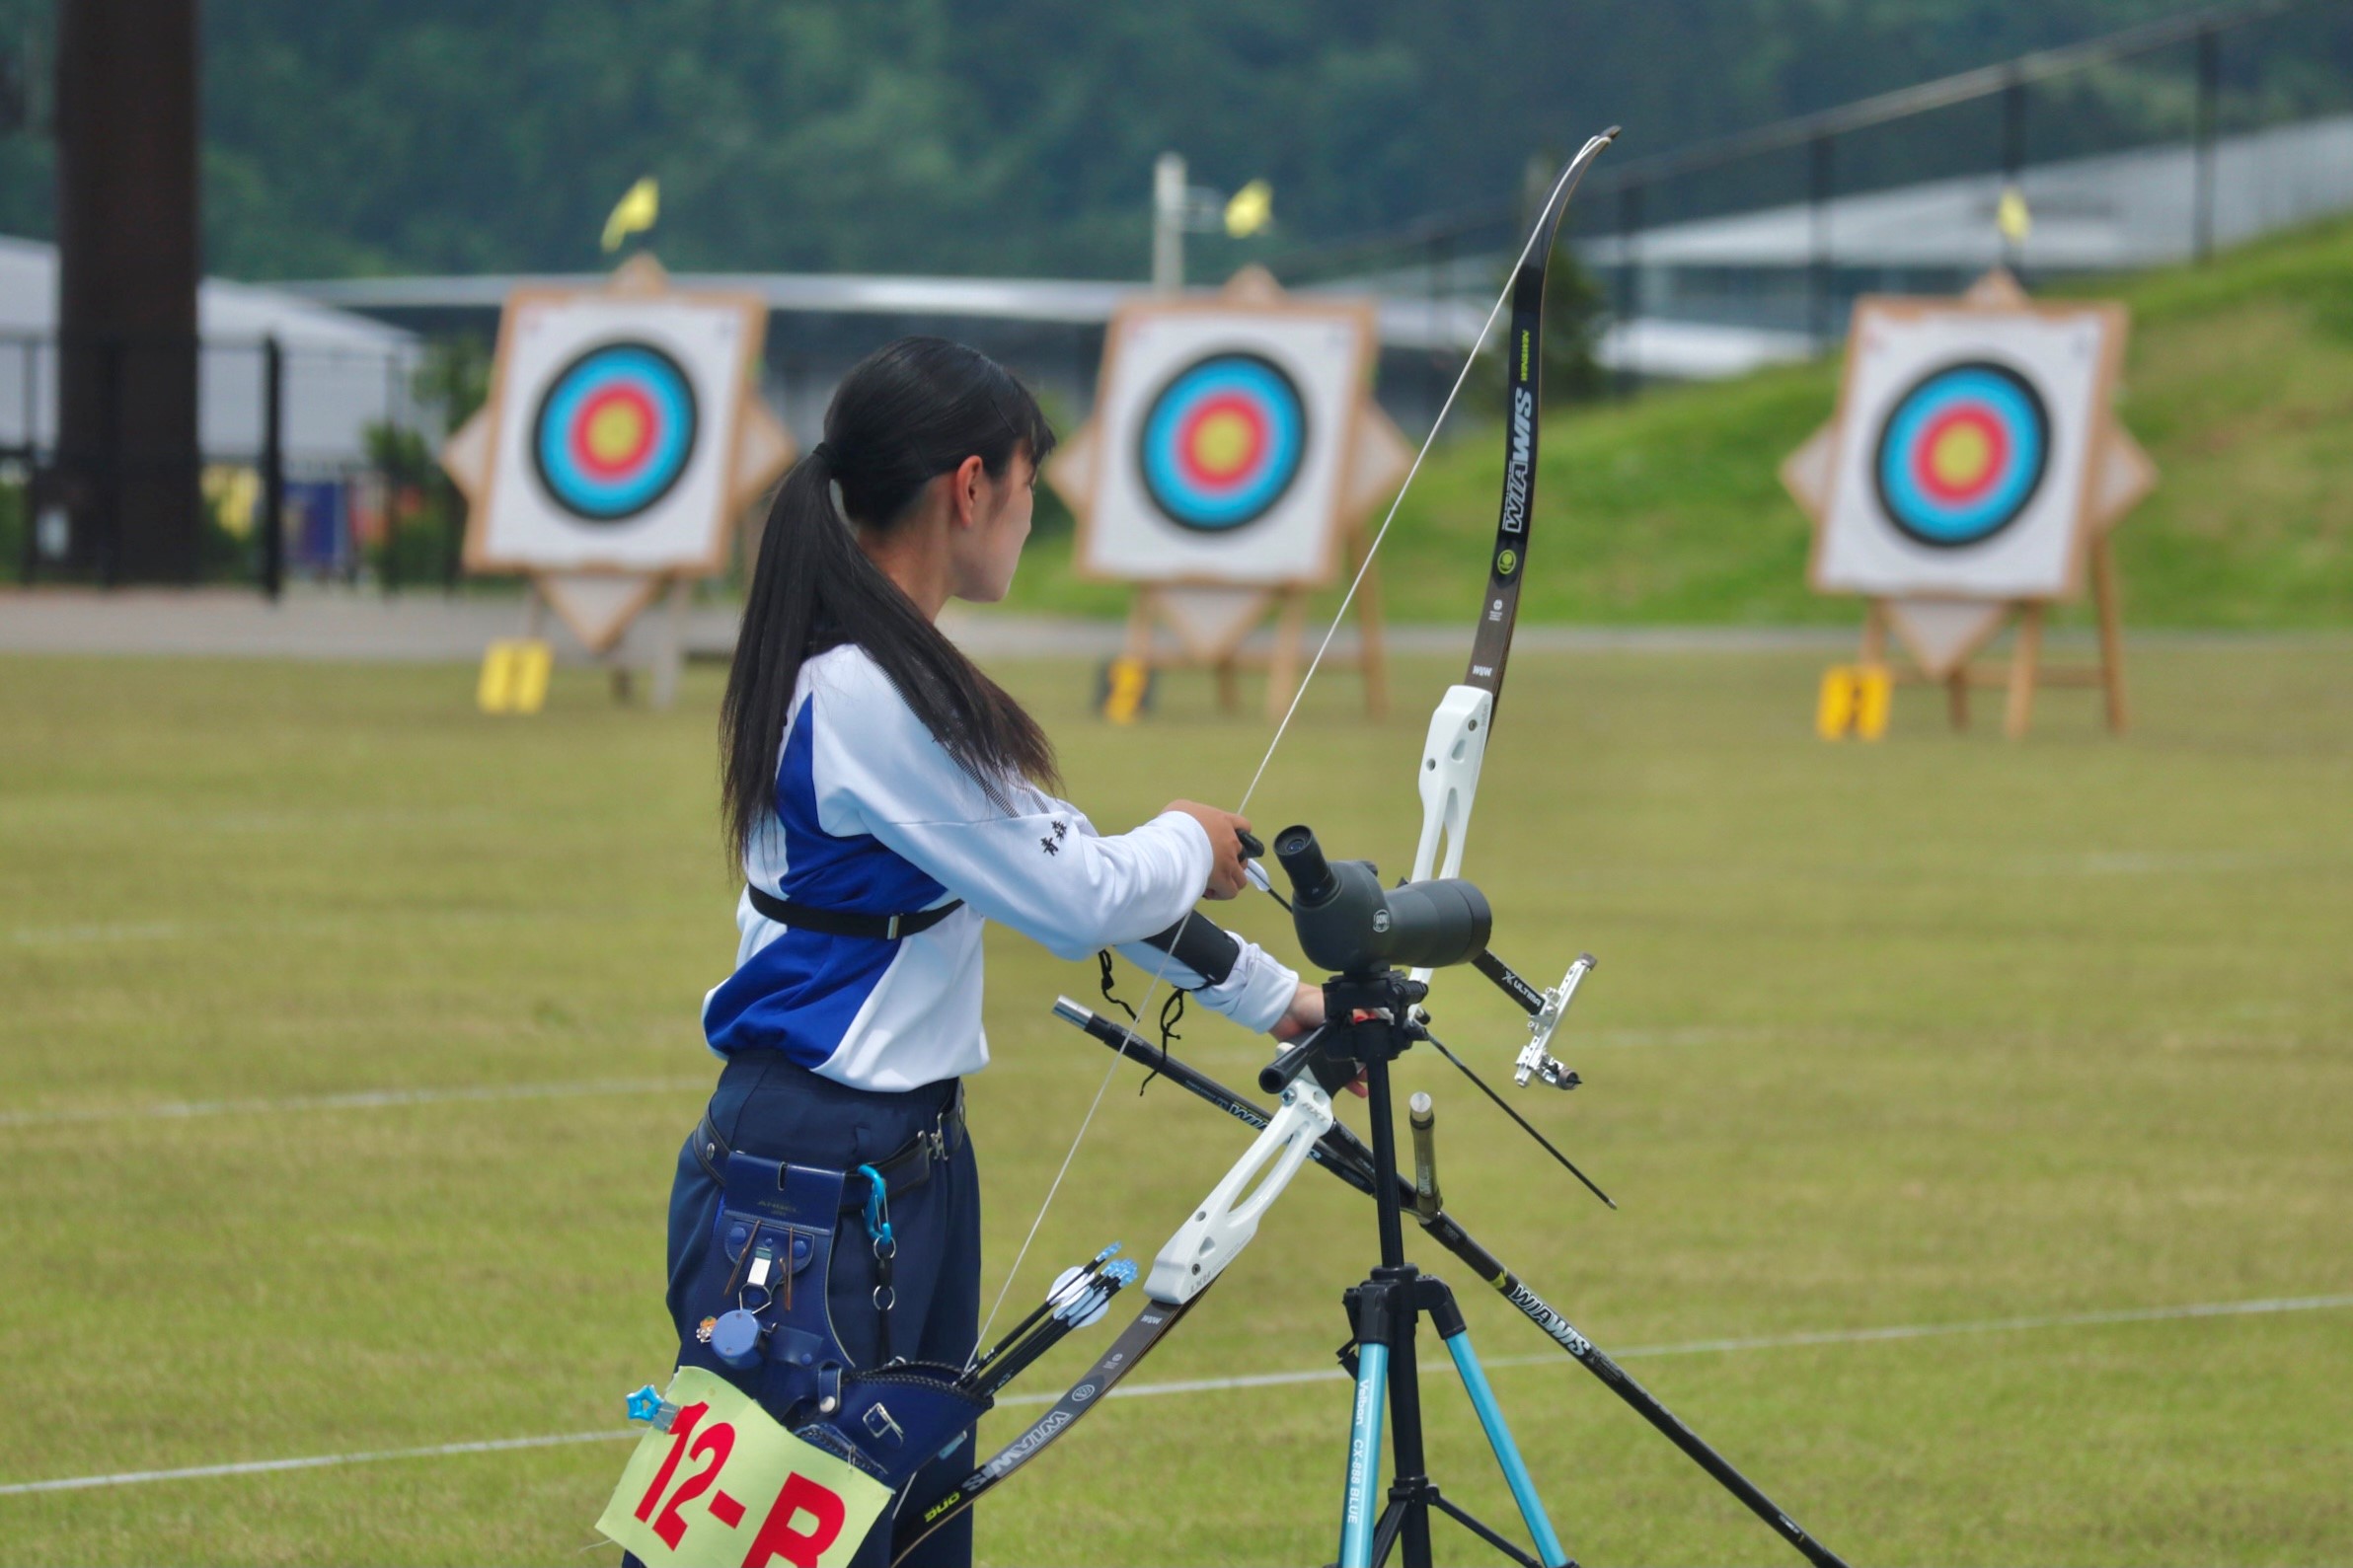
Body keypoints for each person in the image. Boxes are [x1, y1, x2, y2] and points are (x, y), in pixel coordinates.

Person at [662, 336, 1321, 1568]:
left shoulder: (879, 671)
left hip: (885, 1159)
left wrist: (1285, 1002)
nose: (1034, 509)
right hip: (814, 1173)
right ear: (970, 487)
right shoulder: (868, 690)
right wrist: (1188, 833)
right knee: (786, 1547)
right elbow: (1076, 895)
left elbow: (1057, 866)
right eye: (1029, 482)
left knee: (905, 1534)